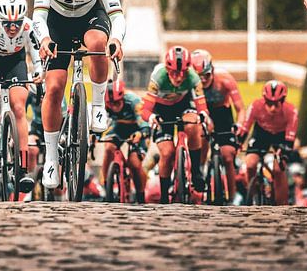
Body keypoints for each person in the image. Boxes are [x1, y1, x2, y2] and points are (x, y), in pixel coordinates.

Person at [33, 0, 125, 189]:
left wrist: (116, 40)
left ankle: (97, 106)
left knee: (98, 44)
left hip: (89, 18)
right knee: (53, 88)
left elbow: (117, 16)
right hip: (57, 22)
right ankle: (52, 156)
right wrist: (43, 40)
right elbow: (38, 17)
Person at [0, 0, 42, 193]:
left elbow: (36, 53)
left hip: (15, 62)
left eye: (17, 23)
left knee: (19, 108)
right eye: (7, 24)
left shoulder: (29, 27)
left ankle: (22, 169)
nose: (13, 28)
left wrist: (39, 71)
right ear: (1, 21)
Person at [141, 46, 211, 204]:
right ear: (166, 68)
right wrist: (151, 117)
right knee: (167, 153)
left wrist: (203, 114)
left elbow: (202, 106)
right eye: (173, 72)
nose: (178, 78)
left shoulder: (193, 77)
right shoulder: (158, 77)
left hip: (182, 105)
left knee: (193, 123)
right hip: (161, 110)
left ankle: (196, 170)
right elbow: (145, 109)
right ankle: (164, 196)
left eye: (182, 73)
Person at [191, 49, 245, 204]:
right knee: (201, 134)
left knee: (228, 156)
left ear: (212, 70)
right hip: (201, 112)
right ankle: (199, 169)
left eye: (206, 76)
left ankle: (233, 196)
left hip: (222, 114)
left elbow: (240, 108)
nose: (203, 80)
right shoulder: (190, 84)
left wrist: (239, 124)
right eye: (198, 78)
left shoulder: (225, 80)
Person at [236, 80, 298, 206]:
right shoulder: (255, 106)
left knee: (278, 168)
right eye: (269, 103)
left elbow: (290, 138)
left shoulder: (291, 111)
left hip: (281, 137)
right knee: (250, 164)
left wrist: (284, 150)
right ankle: (253, 193)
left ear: (283, 101)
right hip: (261, 134)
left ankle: (282, 205)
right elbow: (245, 128)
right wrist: (239, 143)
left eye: (276, 104)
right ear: (264, 100)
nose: (272, 108)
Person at [99, 79, 149, 203]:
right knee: (109, 148)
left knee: (134, 163)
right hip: (118, 127)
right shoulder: (103, 103)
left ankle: (140, 196)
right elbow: (99, 123)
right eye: (111, 104)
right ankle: (107, 189)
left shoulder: (134, 101)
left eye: (117, 102)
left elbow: (145, 124)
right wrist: (94, 135)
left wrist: (141, 133)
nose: (115, 107)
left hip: (137, 127)